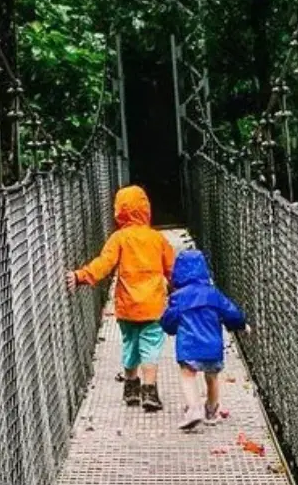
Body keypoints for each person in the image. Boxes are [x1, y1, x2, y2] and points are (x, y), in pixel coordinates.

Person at [66, 185, 176, 412]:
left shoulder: (119, 238)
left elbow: (103, 264)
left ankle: (130, 388)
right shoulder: (158, 239)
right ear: (146, 209)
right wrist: (180, 291)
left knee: (130, 346)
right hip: (153, 307)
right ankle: (149, 391)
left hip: (127, 307)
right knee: (151, 349)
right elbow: (172, 270)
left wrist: (81, 276)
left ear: (119, 210)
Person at [159, 249, 248, 431]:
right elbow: (230, 312)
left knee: (188, 375)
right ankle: (211, 411)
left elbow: (170, 319)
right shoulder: (213, 294)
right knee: (212, 377)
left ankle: (194, 408)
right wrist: (241, 324)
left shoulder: (179, 297)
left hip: (189, 346)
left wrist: (168, 327)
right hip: (212, 346)